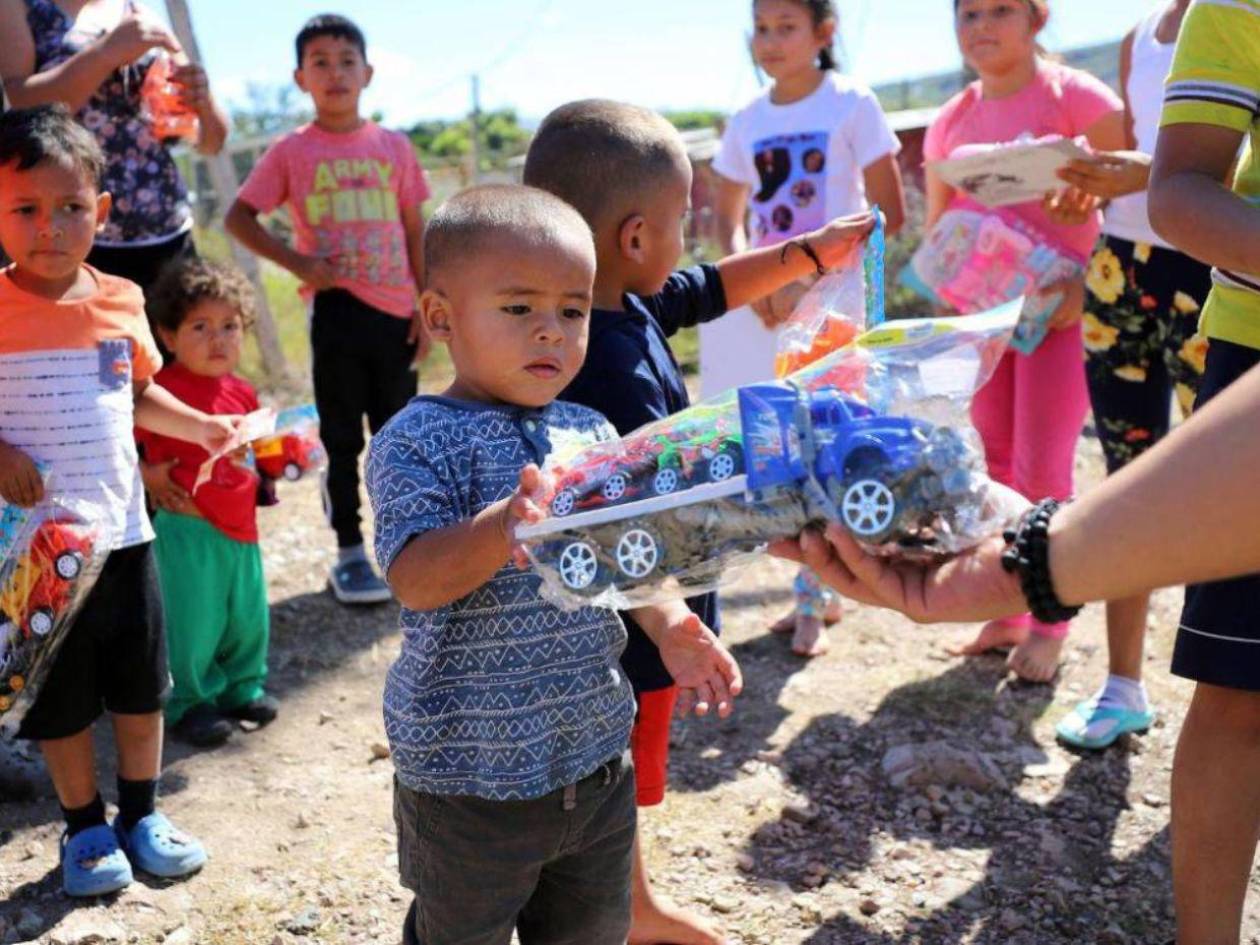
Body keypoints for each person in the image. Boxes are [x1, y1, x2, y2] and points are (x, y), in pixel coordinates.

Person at [523, 98, 874, 945]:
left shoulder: (615, 305)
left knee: (620, 775)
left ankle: (625, 898)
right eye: (684, 220)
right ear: (636, 237)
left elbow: (707, 288)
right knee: (615, 771)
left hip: (648, 609)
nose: (691, 240)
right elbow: (639, 514)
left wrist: (803, 255)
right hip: (636, 622)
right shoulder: (606, 368)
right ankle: (619, 910)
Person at [367, 184, 744, 945]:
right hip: (470, 780)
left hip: (595, 755)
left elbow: (624, 553)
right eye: (518, 309)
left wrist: (671, 624)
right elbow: (414, 575)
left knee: (588, 931)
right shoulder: (416, 438)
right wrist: (503, 524)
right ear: (441, 318)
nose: (552, 332)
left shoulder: (588, 427)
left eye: (571, 311)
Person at [0, 105, 236, 896]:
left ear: (100, 212)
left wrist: (202, 425)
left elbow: (139, 397)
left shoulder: (124, 300)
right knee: (59, 700)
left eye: (70, 207)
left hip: (127, 536)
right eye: (25, 209)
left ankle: (142, 812)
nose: (50, 227)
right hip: (33, 555)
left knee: (141, 685)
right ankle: (84, 827)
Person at [923, 0, 1125, 682]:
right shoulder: (952, 120)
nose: (981, 25)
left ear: (1037, 18)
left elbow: (1136, 198)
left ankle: (1050, 624)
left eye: (1000, 9)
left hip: (1065, 317)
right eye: (967, 12)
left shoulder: (1078, 98)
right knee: (996, 461)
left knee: (1044, 466)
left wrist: (1088, 287)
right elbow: (938, 224)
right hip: (986, 323)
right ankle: (1004, 609)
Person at [708, 0, 906, 659]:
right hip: (767, 310)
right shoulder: (745, 120)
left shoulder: (853, 103)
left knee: (826, 446)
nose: (769, 40)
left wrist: (812, 278)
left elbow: (888, 212)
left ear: (824, 33)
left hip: (834, 311)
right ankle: (814, 583)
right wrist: (755, 279)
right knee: (776, 452)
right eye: (761, 28)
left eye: (786, 26)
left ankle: (814, 597)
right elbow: (729, 218)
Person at [1043, 0, 1206, 750]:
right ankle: (1122, 687)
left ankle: (1232, 704)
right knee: (1122, 479)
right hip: (1120, 269)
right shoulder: (1137, 37)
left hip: (1213, 271)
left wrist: (1147, 170)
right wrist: (1095, 182)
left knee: (1235, 483)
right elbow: (1141, 159)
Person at [225, 14, 428, 607]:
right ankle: (349, 552)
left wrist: (426, 302)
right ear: (300, 77)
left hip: (396, 314)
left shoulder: (394, 146)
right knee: (342, 439)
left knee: (398, 438)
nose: (335, 73)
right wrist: (298, 263)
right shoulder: (291, 151)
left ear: (367, 72)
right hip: (337, 311)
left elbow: (416, 228)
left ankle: (408, 549)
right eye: (320, 62)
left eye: (346, 61)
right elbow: (239, 217)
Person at [0, 0, 228, 305]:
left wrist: (202, 100)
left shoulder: (137, 11)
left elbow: (211, 142)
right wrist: (107, 52)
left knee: (178, 351)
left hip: (169, 229)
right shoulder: (20, 7)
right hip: (70, 238)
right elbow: (18, 105)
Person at [135, 258, 277, 748]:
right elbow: (120, 442)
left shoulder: (241, 391)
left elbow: (257, 451)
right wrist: (145, 474)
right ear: (168, 336)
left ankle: (242, 686)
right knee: (193, 622)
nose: (219, 339)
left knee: (246, 615)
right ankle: (189, 700)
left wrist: (282, 456)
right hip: (187, 528)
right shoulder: (161, 392)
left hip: (241, 527)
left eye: (230, 326)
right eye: (201, 326)